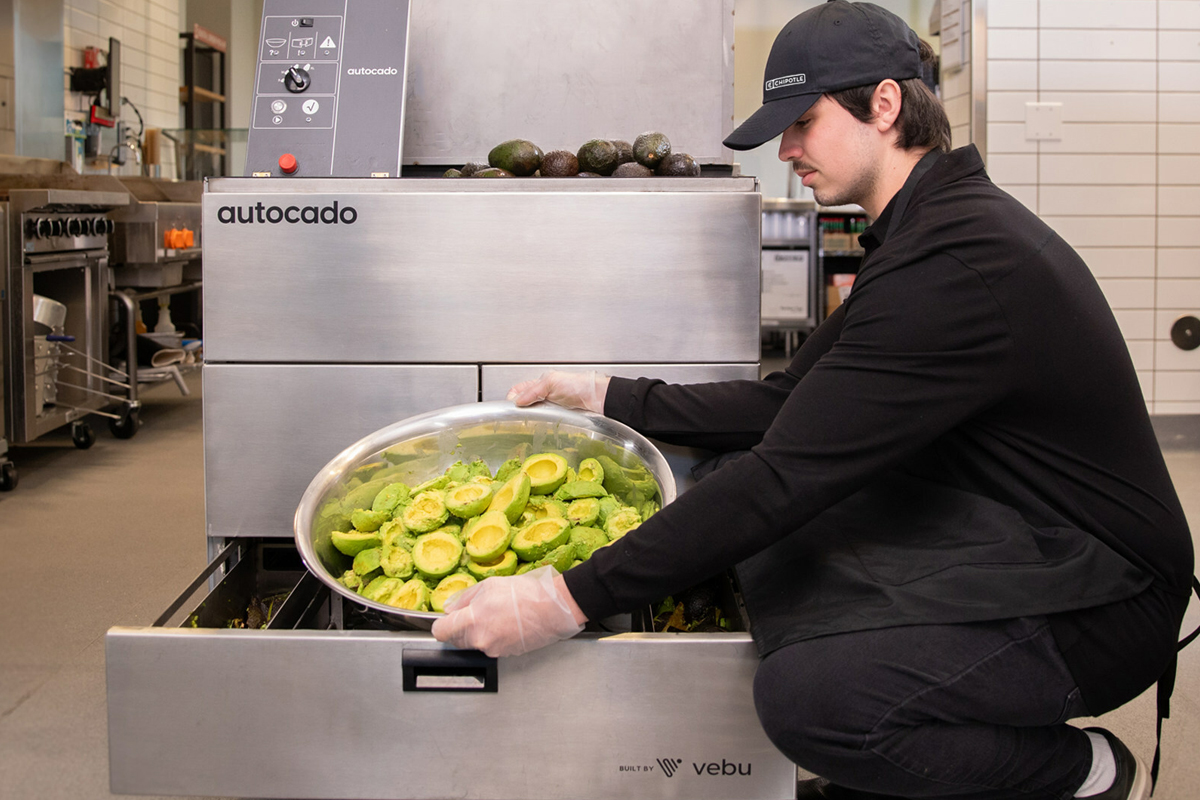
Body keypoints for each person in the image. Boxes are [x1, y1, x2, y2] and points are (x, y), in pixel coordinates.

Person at [432, 3, 1196, 798]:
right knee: (767, 535)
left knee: (815, 701)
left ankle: (1086, 773)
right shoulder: (925, 231)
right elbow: (787, 405)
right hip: (1005, 524)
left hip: (1103, 598)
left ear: (887, 105)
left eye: (802, 121)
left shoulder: (958, 263)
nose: (786, 149)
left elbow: (784, 475)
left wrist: (565, 597)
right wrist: (609, 394)